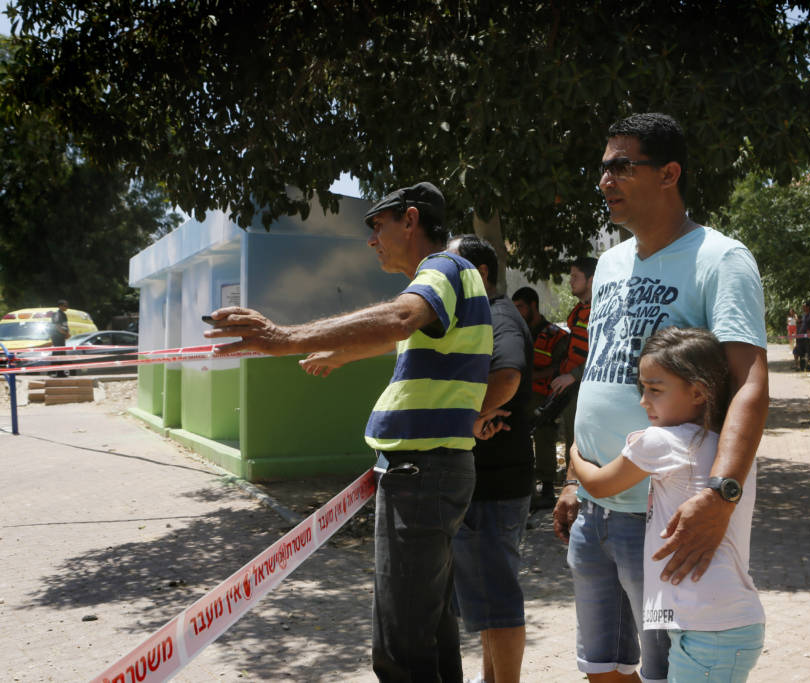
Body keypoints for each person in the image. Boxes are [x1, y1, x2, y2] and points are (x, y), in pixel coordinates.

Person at [204, 182, 493, 682]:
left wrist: (284, 338)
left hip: (422, 473)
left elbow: (400, 318)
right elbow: (405, 334)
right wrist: (341, 352)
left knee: (401, 647)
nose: (371, 240)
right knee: (429, 632)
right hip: (430, 472)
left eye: (377, 225)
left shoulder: (443, 268)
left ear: (409, 219)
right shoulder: (449, 281)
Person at [555, 112, 768, 683]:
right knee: (601, 664)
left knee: (662, 673)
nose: (605, 181)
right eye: (602, 169)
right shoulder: (609, 263)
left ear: (670, 173)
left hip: (661, 523)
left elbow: (749, 384)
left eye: (622, 166)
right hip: (594, 508)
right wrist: (576, 481)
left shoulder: (721, 259)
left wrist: (722, 494)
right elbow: (599, 370)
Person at [569, 327, 764, 683]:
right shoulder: (727, 449)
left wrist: (574, 455)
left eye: (655, 390)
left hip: (708, 629)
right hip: (726, 623)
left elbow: (598, 484)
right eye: (642, 388)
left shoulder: (661, 442)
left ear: (698, 392)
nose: (644, 401)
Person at [448, 235, 534, 683]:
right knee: (486, 602)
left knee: (497, 602)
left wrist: (461, 420)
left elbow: (507, 377)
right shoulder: (482, 317)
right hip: (489, 486)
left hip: (495, 486)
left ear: (479, 273)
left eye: (452, 264)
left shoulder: (499, 315)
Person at [511, 286, 570, 509]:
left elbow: (561, 365)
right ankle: (526, 487)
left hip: (545, 396)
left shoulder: (556, 335)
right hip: (518, 396)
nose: (517, 312)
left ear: (533, 305)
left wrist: (534, 375)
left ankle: (546, 488)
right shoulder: (515, 331)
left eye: (521, 307)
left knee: (545, 438)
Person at [547, 256, 595, 490]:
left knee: (585, 442)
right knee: (572, 442)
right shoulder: (577, 312)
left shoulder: (602, 311)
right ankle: (571, 490)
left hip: (587, 386)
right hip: (570, 387)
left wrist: (573, 375)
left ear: (591, 280)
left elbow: (601, 355)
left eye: (575, 277)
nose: (570, 282)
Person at [793, 302, 810, 371]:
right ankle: (802, 367)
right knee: (801, 352)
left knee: (809, 352)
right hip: (801, 338)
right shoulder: (805, 315)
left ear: (808, 307)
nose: (803, 308)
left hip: (808, 338)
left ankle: (809, 367)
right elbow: (803, 323)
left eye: (804, 306)